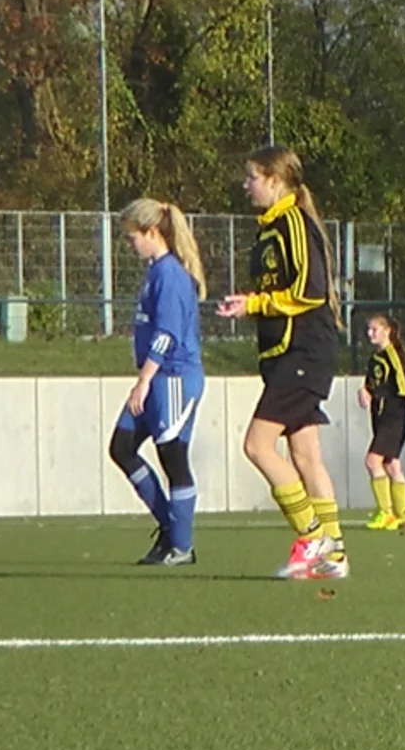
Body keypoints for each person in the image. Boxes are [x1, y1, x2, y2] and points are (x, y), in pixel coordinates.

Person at [215, 145, 350, 578]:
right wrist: (251, 304)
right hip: (284, 354)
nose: (246, 185)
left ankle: (312, 537)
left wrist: (256, 303)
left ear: (275, 180)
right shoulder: (269, 227)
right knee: (306, 453)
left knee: (257, 445)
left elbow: (310, 290)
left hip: (305, 350)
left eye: (252, 177)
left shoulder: (294, 222)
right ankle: (335, 555)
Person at [109, 197, 207, 565]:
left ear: (152, 232)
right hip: (157, 378)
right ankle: (171, 528)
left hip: (173, 377)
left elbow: (167, 334)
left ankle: (181, 545)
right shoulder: (156, 271)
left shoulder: (170, 274)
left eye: (133, 236)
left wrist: (144, 380)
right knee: (121, 446)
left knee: (173, 457)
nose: (131, 244)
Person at [357, 313, 405, 531]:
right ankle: (404, 516)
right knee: (391, 464)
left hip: (394, 416)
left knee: (372, 461)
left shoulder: (393, 355)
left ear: (386, 332)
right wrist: (364, 392)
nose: (370, 334)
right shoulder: (374, 358)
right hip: (379, 416)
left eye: (375, 329)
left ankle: (386, 512)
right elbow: (371, 385)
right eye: (369, 330)